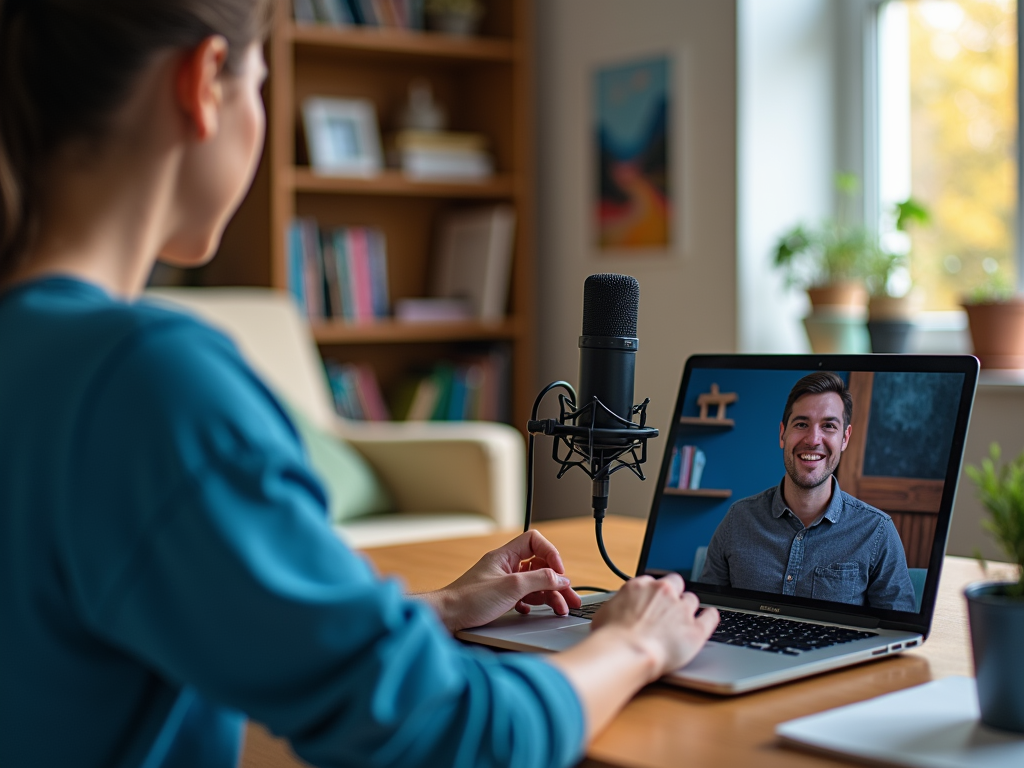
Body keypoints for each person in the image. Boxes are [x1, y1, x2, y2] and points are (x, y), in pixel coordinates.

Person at [0, 2, 719, 767]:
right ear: (206, 81)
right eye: (263, 84)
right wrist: (633, 645)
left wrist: (432, 609)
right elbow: (448, 736)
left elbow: (191, 621)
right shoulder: (146, 381)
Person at [700, 372, 917, 612]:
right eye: (801, 424)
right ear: (783, 433)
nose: (813, 439)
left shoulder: (877, 532)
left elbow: (896, 630)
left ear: (845, 438)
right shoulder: (737, 520)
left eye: (829, 426)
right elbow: (705, 612)